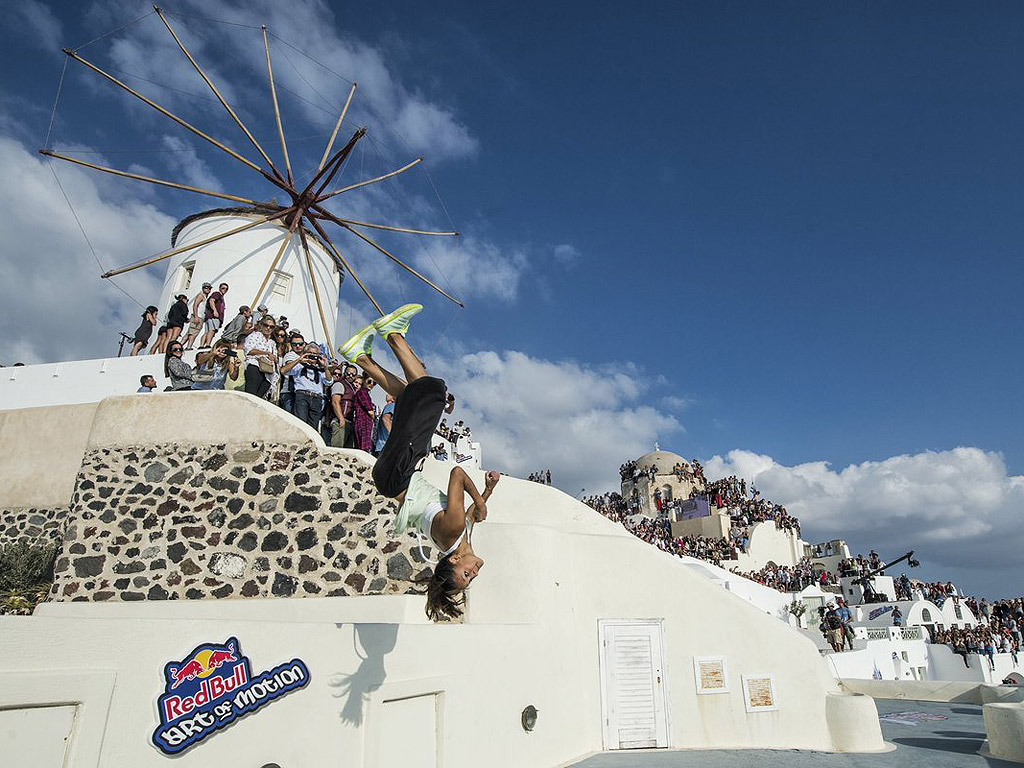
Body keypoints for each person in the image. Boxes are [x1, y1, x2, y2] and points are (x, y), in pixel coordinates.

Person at [338, 303, 500, 621]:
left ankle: (393, 334)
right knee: (408, 397)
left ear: (454, 563)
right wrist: (488, 490)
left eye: (466, 576)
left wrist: (479, 500)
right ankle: (359, 356)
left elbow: (456, 475)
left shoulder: (452, 531)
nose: (473, 574)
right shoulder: (456, 537)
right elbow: (470, 516)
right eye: (470, 580)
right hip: (395, 476)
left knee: (432, 393)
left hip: (400, 472)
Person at [286, 342, 328, 430]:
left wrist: (326, 367)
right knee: (301, 425)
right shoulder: (299, 366)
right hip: (302, 396)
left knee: (313, 428)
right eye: (310, 353)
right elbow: (283, 371)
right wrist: (299, 360)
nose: (312, 356)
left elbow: (329, 381)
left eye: (315, 354)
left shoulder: (320, 369)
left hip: (317, 398)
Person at [243, 315, 277, 399]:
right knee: (251, 396)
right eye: (266, 325)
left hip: (268, 372)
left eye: (271, 327)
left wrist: (273, 357)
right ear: (261, 325)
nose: (268, 328)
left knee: (259, 398)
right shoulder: (253, 336)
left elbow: (275, 357)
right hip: (255, 366)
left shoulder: (272, 342)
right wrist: (266, 353)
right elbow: (249, 350)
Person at [328, 364, 358, 448]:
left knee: (346, 452)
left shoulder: (352, 388)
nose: (350, 376)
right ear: (344, 373)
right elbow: (335, 402)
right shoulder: (340, 384)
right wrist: (341, 419)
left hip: (349, 422)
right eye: (348, 373)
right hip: (340, 421)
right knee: (337, 450)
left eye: (353, 374)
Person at [182, 283, 211, 350]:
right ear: (203, 288)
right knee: (193, 332)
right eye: (206, 287)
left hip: (201, 317)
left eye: (209, 288)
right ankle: (189, 347)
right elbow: (195, 305)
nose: (208, 289)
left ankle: (180, 345)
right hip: (198, 317)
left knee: (189, 333)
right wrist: (196, 316)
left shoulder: (205, 297)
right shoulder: (200, 296)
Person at [200, 282, 229, 348]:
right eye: (223, 288)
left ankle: (201, 345)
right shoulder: (217, 294)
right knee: (212, 330)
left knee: (207, 331)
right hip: (213, 316)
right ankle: (207, 344)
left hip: (210, 316)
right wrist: (215, 311)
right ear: (219, 288)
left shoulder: (221, 297)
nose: (224, 290)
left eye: (226, 289)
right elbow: (211, 300)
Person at [353, 376, 377, 452]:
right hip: (363, 424)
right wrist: (374, 417)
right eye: (369, 381)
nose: (372, 384)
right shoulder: (363, 392)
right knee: (364, 449)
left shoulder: (364, 393)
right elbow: (370, 411)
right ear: (364, 381)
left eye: (374, 383)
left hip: (363, 423)